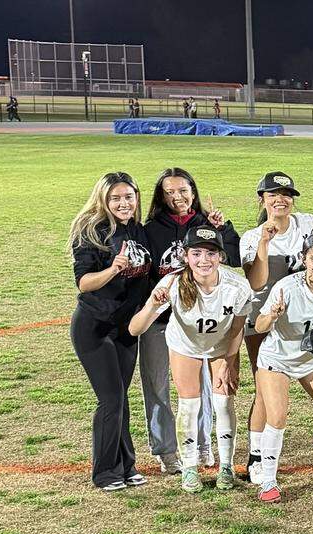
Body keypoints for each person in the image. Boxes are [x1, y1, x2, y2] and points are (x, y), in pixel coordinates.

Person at [128, 226, 253, 494]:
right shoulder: (172, 283)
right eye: (196, 253)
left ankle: (226, 466)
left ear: (221, 256)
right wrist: (152, 304)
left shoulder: (237, 286)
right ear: (186, 256)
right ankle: (190, 467)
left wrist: (229, 364)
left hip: (221, 346)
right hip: (185, 345)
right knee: (190, 404)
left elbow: (236, 329)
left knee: (223, 403)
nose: (204, 260)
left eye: (211, 253)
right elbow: (135, 329)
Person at [141, 168, 241, 474]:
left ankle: (201, 445)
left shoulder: (206, 223)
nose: (177, 197)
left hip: (199, 322)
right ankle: (166, 450)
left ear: (193, 191)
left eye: (183, 190)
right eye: (169, 192)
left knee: (202, 387)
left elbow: (234, 258)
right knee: (157, 384)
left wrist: (224, 229)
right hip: (162, 321)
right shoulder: (150, 229)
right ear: (161, 197)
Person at [250, 234, 313, 502]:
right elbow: (259, 326)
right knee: (278, 416)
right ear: (304, 260)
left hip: (308, 360)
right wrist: (272, 315)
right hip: (277, 359)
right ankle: (268, 482)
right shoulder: (287, 287)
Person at [239, 172, 313, 482]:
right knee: (265, 391)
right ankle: (256, 455)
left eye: (287, 193)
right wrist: (264, 242)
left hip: (301, 319)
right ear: (262, 198)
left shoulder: (309, 224)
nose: (281, 199)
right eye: (273, 194)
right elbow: (257, 282)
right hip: (263, 321)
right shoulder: (251, 237)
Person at [69, 172, 153, 491]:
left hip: (126, 329)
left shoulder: (138, 230)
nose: (123, 203)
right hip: (94, 327)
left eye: (128, 197)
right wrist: (113, 269)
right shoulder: (91, 231)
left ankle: (126, 466)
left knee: (121, 399)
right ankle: (105, 472)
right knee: (111, 399)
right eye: (116, 198)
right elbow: (83, 282)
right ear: (104, 200)